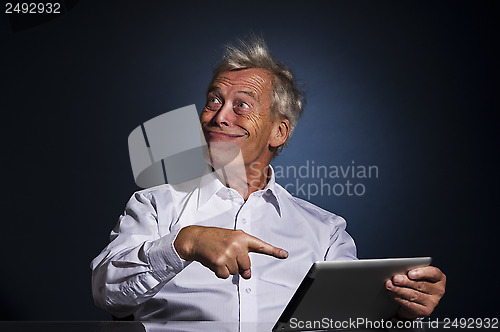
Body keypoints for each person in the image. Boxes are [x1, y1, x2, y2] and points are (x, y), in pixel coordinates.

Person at [91, 37, 446, 325]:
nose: (219, 116)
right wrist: (186, 242)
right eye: (213, 100)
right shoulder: (155, 205)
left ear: (279, 132)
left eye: (241, 105)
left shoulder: (326, 232)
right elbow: (107, 294)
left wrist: (400, 310)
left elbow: (347, 320)